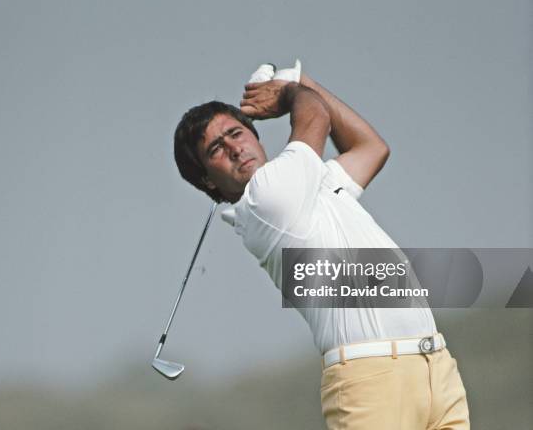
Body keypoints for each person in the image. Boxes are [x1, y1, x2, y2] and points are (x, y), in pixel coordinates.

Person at [173, 61, 470, 429]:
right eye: (216, 148)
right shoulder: (265, 199)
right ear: (208, 180)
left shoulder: (310, 185)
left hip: (434, 367)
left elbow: (370, 147)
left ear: (255, 136)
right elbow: (313, 117)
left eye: (236, 133)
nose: (234, 148)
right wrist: (290, 92)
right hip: (370, 379)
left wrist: (302, 82)